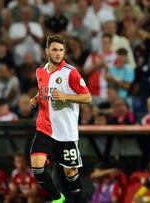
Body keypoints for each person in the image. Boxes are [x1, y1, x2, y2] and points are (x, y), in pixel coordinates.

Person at [29, 35, 92, 203]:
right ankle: (58, 198)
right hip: (44, 128)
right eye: (55, 50)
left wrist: (65, 96)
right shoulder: (40, 71)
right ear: (47, 51)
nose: (58, 54)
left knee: (70, 173)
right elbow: (43, 89)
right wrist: (36, 98)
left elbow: (87, 97)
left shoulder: (70, 73)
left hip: (66, 132)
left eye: (61, 50)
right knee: (37, 167)